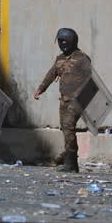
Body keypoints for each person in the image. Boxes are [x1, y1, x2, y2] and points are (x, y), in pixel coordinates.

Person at [34, 28, 92, 173]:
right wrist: (40, 89)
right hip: (64, 100)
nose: (62, 43)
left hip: (77, 100)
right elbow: (51, 74)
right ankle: (71, 163)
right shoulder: (60, 59)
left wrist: (87, 99)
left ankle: (71, 163)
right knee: (66, 129)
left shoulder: (82, 58)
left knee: (68, 127)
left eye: (65, 41)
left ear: (72, 41)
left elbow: (92, 80)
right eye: (60, 41)